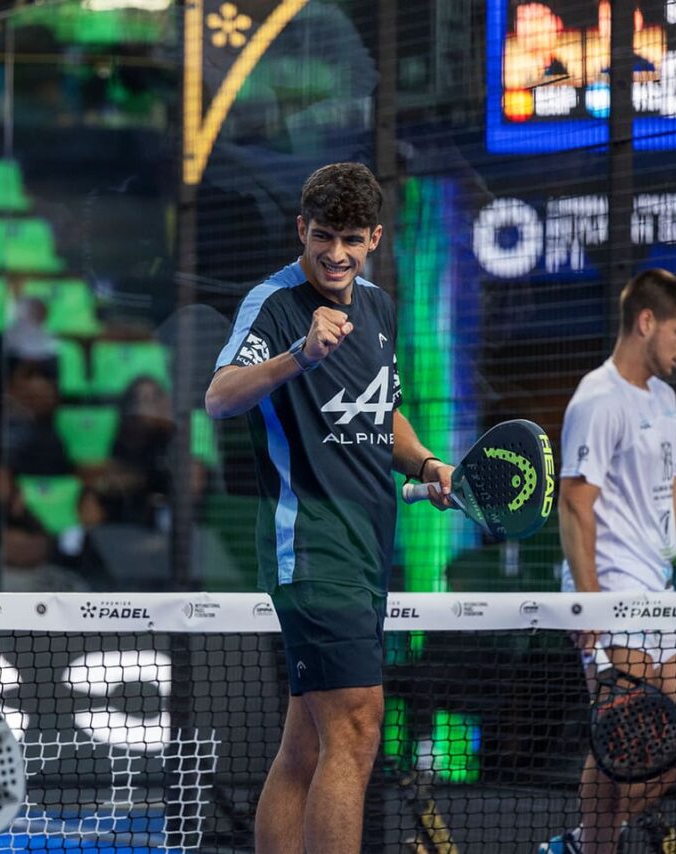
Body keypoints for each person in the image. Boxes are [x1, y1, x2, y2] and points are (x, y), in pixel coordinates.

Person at [205, 161, 453, 853]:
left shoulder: (377, 307)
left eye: (350, 238)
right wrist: (298, 356)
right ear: (301, 230)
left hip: (366, 553)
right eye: (322, 237)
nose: (335, 254)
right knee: (356, 726)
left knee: (308, 746)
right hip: (310, 550)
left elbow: (384, 414)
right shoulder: (274, 303)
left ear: (373, 237)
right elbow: (219, 396)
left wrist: (429, 462)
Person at [543, 269, 676, 854]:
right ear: (646, 323)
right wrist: (590, 600)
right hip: (611, 590)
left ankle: (586, 839)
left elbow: (674, 491)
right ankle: (596, 848)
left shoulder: (664, 397)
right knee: (619, 740)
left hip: (660, 590)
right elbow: (575, 503)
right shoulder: (596, 399)